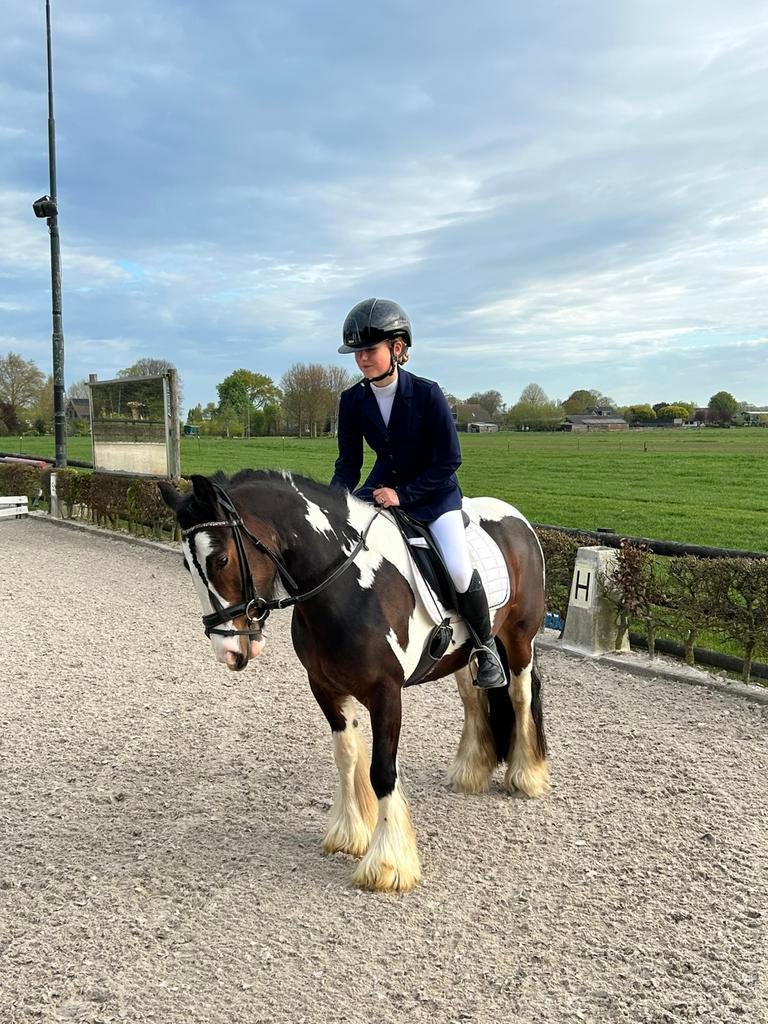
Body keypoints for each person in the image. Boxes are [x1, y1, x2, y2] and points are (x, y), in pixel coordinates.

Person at [330, 297, 506, 689]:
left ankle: (485, 647)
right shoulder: (352, 401)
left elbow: (449, 460)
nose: (361, 359)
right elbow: (348, 464)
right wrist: (332, 504)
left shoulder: (427, 394)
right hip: (380, 488)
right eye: (357, 352)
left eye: (369, 350)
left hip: (434, 494)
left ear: (397, 349)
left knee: (459, 568)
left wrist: (404, 496)